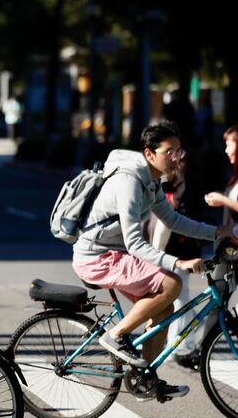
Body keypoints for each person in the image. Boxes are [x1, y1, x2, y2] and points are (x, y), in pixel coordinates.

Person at [72, 121, 232, 400]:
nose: (176, 158)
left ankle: (145, 377)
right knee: (171, 283)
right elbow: (134, 242)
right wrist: (176, 262)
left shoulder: (151, 180)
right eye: (169, 152)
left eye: (179, 152)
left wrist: (216, 232)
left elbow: (172, 219)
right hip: (97, 256)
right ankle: (116, 335)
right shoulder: (130, 182)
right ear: (149, 154)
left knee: (166, 308)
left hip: (114, 253)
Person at [147, 154, 207, 370]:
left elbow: (174, 215)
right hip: (174, 249)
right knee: (180, 297)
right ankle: (177, 344)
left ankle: (178, 343)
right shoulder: (176, 177)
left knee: (180, 296)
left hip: (175, 247)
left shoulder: (179, 176)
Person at [203, 125, 238, 364]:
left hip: (233, 248)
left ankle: (202, 350)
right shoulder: (234, 174)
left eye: (230, 143)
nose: (226, 149)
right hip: (230, 248)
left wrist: (222, 199)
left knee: (217, 294)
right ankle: (203, 351)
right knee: (217, 295)